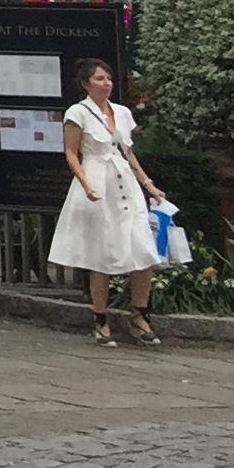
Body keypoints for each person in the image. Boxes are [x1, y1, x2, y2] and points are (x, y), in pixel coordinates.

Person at [51, 60, 167, 347]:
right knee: (101, 252)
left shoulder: (123, 113)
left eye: (108, 78)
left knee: (142, 248)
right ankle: (100, 318)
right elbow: (71, 152)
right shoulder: (78, 112)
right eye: (100, 79)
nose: (106, 83)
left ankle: (139, 314)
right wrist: (86, 183)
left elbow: (127, 152)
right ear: (86, 84)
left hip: (124, 183)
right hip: (97, 179)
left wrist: (148, 184)